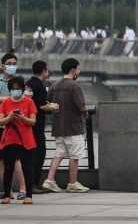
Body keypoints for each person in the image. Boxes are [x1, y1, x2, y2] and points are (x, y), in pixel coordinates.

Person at [40, 58, 88, 193]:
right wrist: (85, 113)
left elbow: (48, 102)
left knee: (59, 154)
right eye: (78, 68)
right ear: (73, 71)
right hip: (73, 127)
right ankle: (73, 184)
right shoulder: (74, 85)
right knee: (75, 157)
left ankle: (49, 180)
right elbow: (81, 106)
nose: (79, 71)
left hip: (58, 127)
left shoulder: (55, 85)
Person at [0, 76, 37, 204]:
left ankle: (29, 195)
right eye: (13, 89)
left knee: (27, 168)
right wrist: (9, 118)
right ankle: (6, 195)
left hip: (26, 140)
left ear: (22, 88)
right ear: (10, 89)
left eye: (18, 88)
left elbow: (33, 121)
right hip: (9, 139)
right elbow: (1, 121)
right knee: (8, 169)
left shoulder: (29, 102)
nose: (15, 90)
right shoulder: (5, 103)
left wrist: (22, 118)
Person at [25, 60, 57, 192]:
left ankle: (30, 184)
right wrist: (53, 106)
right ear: (44, 71)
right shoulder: (40, 86)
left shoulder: (28, 84)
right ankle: (33, 184)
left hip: (27, 124)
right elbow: (40, 106)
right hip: (37, 125)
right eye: (47, 70)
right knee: (39, 154)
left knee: (30, 155)